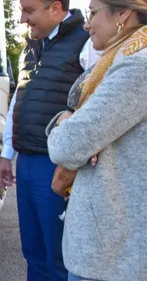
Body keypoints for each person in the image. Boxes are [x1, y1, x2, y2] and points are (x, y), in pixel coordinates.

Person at [0, 1, 98, 280]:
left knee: (58, 255)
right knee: (33, 251)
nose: (21, 19)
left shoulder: (87, 44)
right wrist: (8, 153)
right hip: (27, 161)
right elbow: (19, 98)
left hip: (56, 165)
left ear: (55, 8)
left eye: (29, 10)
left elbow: (94, 105)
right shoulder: (31, 45)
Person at [47, 1, 147, 280]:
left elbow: (67, 147)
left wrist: (63, 122)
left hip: (112, 259)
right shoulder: (122, 59)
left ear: (123, 14)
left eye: (93, 13)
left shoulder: (137, 67)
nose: (86, 24)